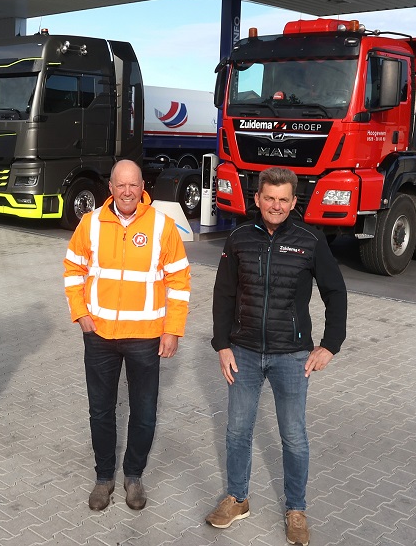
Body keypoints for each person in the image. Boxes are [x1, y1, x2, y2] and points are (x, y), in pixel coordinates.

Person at [206, 166, 347, 546]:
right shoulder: (238, 238)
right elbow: (223, 294)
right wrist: (222, 345)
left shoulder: (310, 240)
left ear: (293, 201)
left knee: (293, 437)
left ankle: (296, 509)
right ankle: (237, 499)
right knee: (237, 431)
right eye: (269, 197)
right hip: (244, 352)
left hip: (292, 356)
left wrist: (330, 345)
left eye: (284, 199)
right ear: (257, 198)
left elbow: (335, 292)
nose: (276, 205)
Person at [63, 159, 191, 512]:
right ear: (111, 188)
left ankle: (133, 476)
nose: (127, 191)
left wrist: (173, 330)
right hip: (100, 334)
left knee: (145, 412)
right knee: (101, 411)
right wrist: (81, 313)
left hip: (146, 336)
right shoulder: (90, 224)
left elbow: (179, 281)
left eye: (133, 185)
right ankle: (104, 477)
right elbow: (73, 268)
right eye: (121, 185)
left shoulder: (162, 226)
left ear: (142, 186)